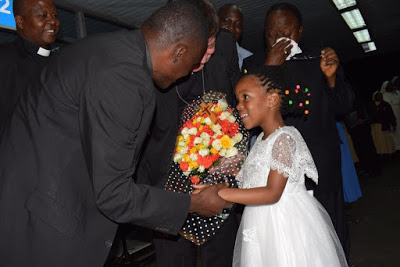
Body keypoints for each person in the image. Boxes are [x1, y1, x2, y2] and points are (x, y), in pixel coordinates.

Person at [0, 2, 231, 266]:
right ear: (179, 52)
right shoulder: (124, 77)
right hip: (45, 227)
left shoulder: (110, 49)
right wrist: (192, 203)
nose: (189, 73)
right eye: (191, 64)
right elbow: (113, 195)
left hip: (34, 204)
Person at [194, 65, 348, 266]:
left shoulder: (284, 138)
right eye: (238, 99)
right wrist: (224, 169)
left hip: (282, 223)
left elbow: (272, 192)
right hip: (260, 222)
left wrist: (220, 194)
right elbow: (254, 178)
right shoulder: (260, 140)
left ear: (272, 99)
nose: (239, 106)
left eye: (245, 97)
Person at [134, 1, 241, 266]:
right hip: (167, 181)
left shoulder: (225, 46)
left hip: (217, 179)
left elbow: (237, 103)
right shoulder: (156, 49)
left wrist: (235, 157)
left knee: (220, 255)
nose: (207, 55)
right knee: (174, 258)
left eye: (211, 45)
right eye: (203, 48)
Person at [243, 2, 354, 257]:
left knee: (331, 236)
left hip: (321, 167)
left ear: (300, 31)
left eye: (287, 31)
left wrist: (331, 78)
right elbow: (247, 114)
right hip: (277, 172)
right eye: (272, 32)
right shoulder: (254, 64)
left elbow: (345, 106)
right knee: (287, 243)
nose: (280, 37)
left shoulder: (320, 58)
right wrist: (267, 70)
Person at [0, 0, 60, 128]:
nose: (52, 22)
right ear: (20, 22)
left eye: (54, 16)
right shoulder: (5, 57)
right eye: (42, 16)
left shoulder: (61, 64)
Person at [218, 3, 252, 71]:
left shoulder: (250, 59)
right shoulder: (202, 53)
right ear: (216, 22)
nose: (231, 27)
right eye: (227, 21)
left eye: (237, 24)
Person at [369, 91, 397, 157]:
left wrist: (394, 124)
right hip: (374, 126)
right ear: (374, 97)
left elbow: (391, 115)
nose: (379, 97)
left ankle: (388, 153)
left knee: (386, 140)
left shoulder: (386, 104)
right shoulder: (371, 105)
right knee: (377, 140)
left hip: (384, 125)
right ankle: (379, 153)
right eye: (378, 95)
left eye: (381, 95)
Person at [380, 80, 400, 151]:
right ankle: (395, 148)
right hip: (390, 115)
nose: (390, 86)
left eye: (390, 84)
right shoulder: (383, 96)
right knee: (393, 132)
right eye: (388, 85)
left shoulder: (397, 93)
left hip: (398, 113)